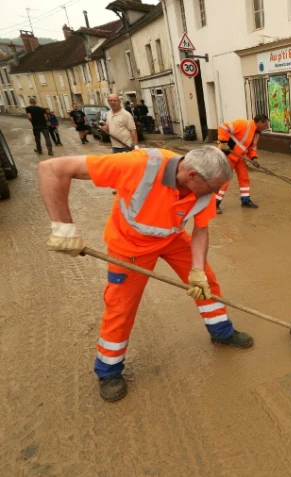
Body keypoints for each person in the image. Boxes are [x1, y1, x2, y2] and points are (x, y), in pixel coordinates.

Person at [38, 146, 253, 402]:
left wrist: (196, 270)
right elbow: (52, 169)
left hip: (171, 238)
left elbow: (201, 231)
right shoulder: (139, 165)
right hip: (130, 246)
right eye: (211, 188)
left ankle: (221, 331)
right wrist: (63, 228)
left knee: (206, 281)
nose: (214, 195)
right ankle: (109, 370)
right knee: (121, 307)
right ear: (192, 175)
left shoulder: (203, 188)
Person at [215, 114, 270, 212]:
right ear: (260, 122)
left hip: (239, 157)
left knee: (244, 178)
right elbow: (223, 126)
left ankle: (245, 200)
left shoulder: (256, 134)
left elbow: (252, 148)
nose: (265, 127)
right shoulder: (243, 124)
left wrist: (254, 158)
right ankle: (214, 204)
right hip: (228, 155)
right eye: (265, 125)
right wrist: (223, 143)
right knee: (224, 180)